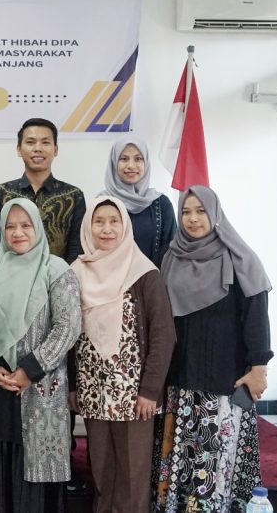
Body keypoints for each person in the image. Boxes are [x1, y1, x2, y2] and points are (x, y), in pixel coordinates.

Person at [153, 185, 273, 513]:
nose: (193, 219)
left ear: (215, 214)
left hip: (222, 382)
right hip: (180, 381)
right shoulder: (170, 257)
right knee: (180, 459)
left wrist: (259, 367)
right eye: (186, 212)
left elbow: (256, 315)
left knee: (215, 461)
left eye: (201, 211)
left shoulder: (240, 258)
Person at [69, 197, 175, 513]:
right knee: (101, 472)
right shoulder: (76, 272)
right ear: (88, 227)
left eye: (114, 221)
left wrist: (150, 390)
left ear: (125, 226)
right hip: (93, 391)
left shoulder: (144, 273)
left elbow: (163, 336)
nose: (107, 229)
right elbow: (69, 335)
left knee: (132, 476)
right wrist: (73, 386)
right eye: (99, 221)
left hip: (134, 396)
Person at [0, 198, 81, 513]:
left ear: (38, 227)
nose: (18, 232)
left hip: (41, 388)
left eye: (25, 225)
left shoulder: (56, 270)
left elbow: (68, 327)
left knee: (37, 467)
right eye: (10, 226)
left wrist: (29, 370)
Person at [0, 118, 86, 262]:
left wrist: (61, 273)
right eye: (30, 142)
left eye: (45, 142)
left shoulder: (74, 195)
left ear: (55, 150)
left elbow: (77, 248)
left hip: (60, 274)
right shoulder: (1, 193)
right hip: (11, 273)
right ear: (19, 149)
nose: (38, 148)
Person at [102, 137, 177, 264]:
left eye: (138, 159)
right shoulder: (102, 203)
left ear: (146, 163)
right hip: (108, 276)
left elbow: (171, 252)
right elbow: (90, 248)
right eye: (124, 159)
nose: (131, 166)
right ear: (114, 162)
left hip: (154, 275)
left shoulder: (161, 204)